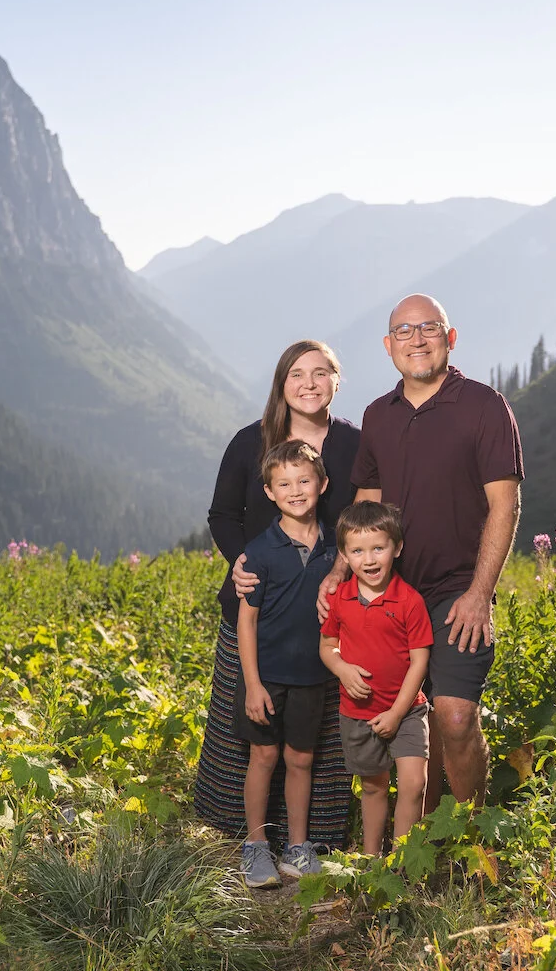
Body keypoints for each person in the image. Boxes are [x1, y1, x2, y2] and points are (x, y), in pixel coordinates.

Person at [320, 293, 522, 812]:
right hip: (392, 592)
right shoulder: (377, 415)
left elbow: (505, 505)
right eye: (404, 332)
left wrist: (481, 594)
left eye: (429, 328)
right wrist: (341, 571)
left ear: (450, 339)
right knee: (412, 717)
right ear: (389, 347)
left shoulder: (484, 406)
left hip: (457, 592)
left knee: (454, 717)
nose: (418, 339)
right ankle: (424, 843)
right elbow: (366, 500)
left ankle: (474, 835)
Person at [196, 340, 358, 850]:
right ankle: (245, 835)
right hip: (256, 602)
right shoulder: (251, 442)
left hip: (327, 609)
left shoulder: (355, 445)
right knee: (252, 730)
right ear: (281, 383)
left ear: (337, 380)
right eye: (296, 374)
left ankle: (309, 837)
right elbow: (222, 515)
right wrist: (243, 561)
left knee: (316, 740)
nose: (308, 384)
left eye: (320, 373)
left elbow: (366, 516)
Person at [233, 440, 337, 887]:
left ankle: (298, 846)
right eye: (284, 484)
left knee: (300, 758)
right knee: (264, 756)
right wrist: (252, 685)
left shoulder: (337, 546)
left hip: (312, 677)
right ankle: (255, 847)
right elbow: (247, 623)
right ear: (269, 492)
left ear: (323, 484)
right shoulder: (259, 552)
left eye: (304, 481)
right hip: (267, 677)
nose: (296, 490)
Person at [320, 501, 433, 855]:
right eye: (357, 550)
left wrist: (399, 713)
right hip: (358, 713)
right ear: (345, 554)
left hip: (407, 711)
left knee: (414, 784)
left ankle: (401, 863)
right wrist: (341, 668)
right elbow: (327, 646)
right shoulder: (341, 598)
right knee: (374, 787)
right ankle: (371, 861)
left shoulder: (409, 601)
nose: (369, 560)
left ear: (396, 548)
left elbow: (419, 662)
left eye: (378, 548)